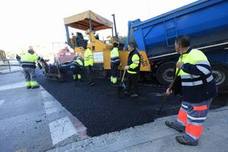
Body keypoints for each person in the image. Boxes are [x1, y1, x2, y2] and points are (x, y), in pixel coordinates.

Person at [165, 36, 217, 146]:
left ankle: (192, 138)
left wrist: (184, 66)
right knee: (185, 108)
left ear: (179, 45)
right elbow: (179, 77)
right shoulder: (181, 57)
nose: (174, 46)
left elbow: (205, 70)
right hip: (190, 93)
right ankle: (180, 124)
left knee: (196, 116)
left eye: (175, 44)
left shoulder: (196, 53)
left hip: (202, 93)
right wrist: (171, 88)